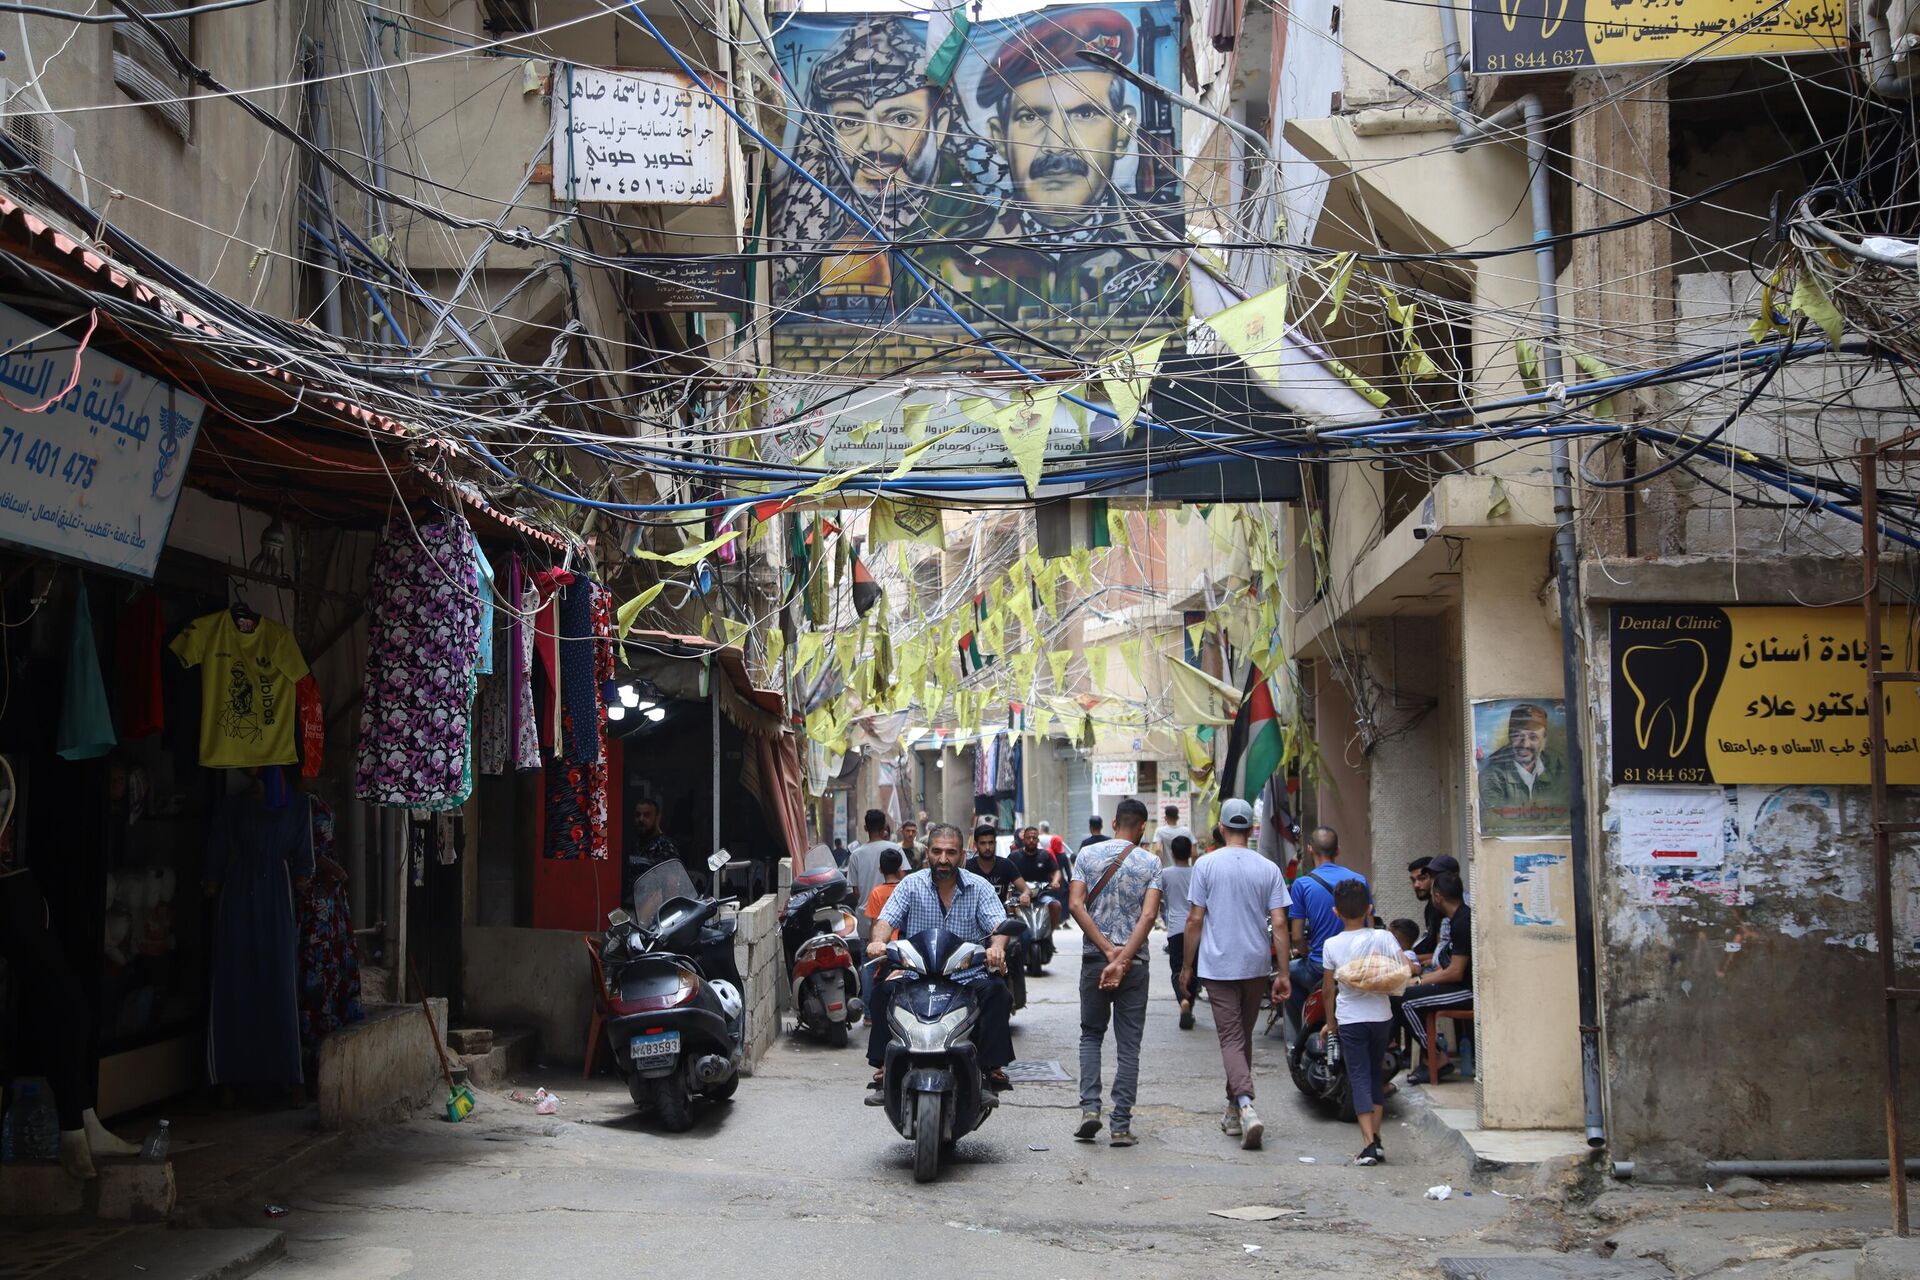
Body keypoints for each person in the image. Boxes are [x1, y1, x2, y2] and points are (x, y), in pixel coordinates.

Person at [769, 16, 1003, 317]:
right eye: (850, 122)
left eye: (900, 118)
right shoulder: (809, 233)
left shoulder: (982, 222)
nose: (875, 144)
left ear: (941, 124)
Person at [958, 8, 1183, 322]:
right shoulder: (951, 258)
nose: (1056, 145)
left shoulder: (1170, 249)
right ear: (1000, 138)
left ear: (1121, 135)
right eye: (1031, 117)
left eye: (1084, 114)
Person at [865, 823, 1016, 1098]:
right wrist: (878, 941)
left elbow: (999, 926)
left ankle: (990, 1068)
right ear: (928, 855)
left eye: (950, 852)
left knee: (997, 993)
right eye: (937, 852)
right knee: (883, 992)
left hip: (966, 975)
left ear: (962, 856)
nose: (943, 859)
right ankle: (885, 1065)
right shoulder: (910, 884)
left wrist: (997, 948)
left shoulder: (979, 888)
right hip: (916, 973)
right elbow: (886, 920)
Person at [1178, 798, 1290, 1150]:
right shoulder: (1268, 868)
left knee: (1230, 1039)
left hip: (1218, 964)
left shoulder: (1207, 865)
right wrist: (1283, 971)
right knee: (1242, 1036)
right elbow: (1281, 922)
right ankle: (1232, 1110)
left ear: (1222, 829)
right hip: (1255, 963)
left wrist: (1186, 966)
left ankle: (1245, 1104)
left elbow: (1194, 919)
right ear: (1251, 830)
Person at [1068, 797, 1162, 1147]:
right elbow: (1149, 916)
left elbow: (1075, 904)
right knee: (1129, 1045)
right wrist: (1123, 958)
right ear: (1141, 827)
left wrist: (1108, 952)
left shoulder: (1088, 856)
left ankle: (1090, 1109)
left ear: (1113, 824)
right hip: (1135, 964)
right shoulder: (1151, 862)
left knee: (1091, 1035)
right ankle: (1120, 1125)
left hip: (1096, 960)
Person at [1321, 879, 1405, 1166]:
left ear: (1335, 912)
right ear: (1369, 908)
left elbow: (1328, 989)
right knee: (1374, 1075)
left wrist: (1330, 1022)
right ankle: (1377, 1139)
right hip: (1381, 1016)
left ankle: (1369, 1143)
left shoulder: (1331, 945)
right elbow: (1402, 968)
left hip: (1351, 1019)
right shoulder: (1383, 938)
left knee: (1357, 1077)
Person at [1286, 826, 1368, 1029]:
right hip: (1356, 964)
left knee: (1286, 974)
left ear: (1310, 849)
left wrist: (1306, 952)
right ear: (1337, 850)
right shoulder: (1359, 880)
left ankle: (1301, 1033)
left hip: (1319, 967)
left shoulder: (1302, 885)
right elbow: (1369, 927)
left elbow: (1296, 936)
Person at [1400, 870, 1473, 1083]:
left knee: (1405, 1002)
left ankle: (1436, 1057)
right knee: (1401, 993)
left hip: (1466, 991)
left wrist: (1420, 981)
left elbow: (1456, 972)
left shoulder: (1463, 921)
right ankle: (1428, 1056)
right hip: (1454, 985)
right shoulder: (1456, 918)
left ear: (1438, 897)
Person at [1475, 703, 1571, 836]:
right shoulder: (1492, 776)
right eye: (1518, 736)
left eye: (1533, 737)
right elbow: (1496, 822)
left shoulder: (1560, 769)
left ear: (1544, 741)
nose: (1525, 744)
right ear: (1509, 737)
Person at [859, 847, 907, 1024]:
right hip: (903, 944)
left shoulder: (876, 893)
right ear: (900, 868)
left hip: (884, 946)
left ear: (880, 869)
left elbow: (874, 923)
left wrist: (874, 944)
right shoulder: (905, 889)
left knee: (871, 974)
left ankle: (870, 1016)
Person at [845, 809, 902, 942]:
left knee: (869, 957)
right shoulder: (896, 849)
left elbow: (856, 892)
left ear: (865, 828)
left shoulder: (856, 855)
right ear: (884, 828)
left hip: (866, 921)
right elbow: (904, 881)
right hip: (896, 922)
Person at [1160, 835, 1196, 1028]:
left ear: (1172, 853)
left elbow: (1159, 898)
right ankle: (1190, 1004)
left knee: (1177, 970)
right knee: (1194, 969)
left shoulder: (1165, 874)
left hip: (1175, 929)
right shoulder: (1197, 873)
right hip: (1197, 929)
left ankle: (1182, 1001)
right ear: (1190, 852)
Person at [624, 798, 679, 910]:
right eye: (638, 815)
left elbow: (672, 887)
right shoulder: (632, 845)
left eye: (647, 815)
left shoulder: (665, 847)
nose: (641, 819)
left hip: (653, 911)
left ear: (657, 818)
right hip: (629, 907)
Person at [1408, 854, 1459, 961]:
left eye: (1422, 878)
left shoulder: (1450, 909)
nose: (1416, 885)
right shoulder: (1431, 908)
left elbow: (1443, 954)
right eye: (1413, 880)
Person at [966, 823, 1030, 906]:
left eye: (991, 843)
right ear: (976, 845)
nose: (987, 847)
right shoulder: (967, 867)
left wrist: (1025, 895)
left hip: (1000, 915)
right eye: (983, 843)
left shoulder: (1006, 865)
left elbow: (1026, 889)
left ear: (995, 843)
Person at [1013, 825, 1066, 925]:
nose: (1031, 840)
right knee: (1010, 907)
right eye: (1028, 838)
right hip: (1020, 894)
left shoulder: (1045, 855)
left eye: (1034, 838)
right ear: (1024, 840)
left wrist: (1055, 881)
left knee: (1056, 906)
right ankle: (1015, 935)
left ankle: (1048, 932)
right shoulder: (1014, 856)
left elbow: (1056, 871)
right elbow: (1006, 872)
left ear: (1038, 840)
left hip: (1042, 894)